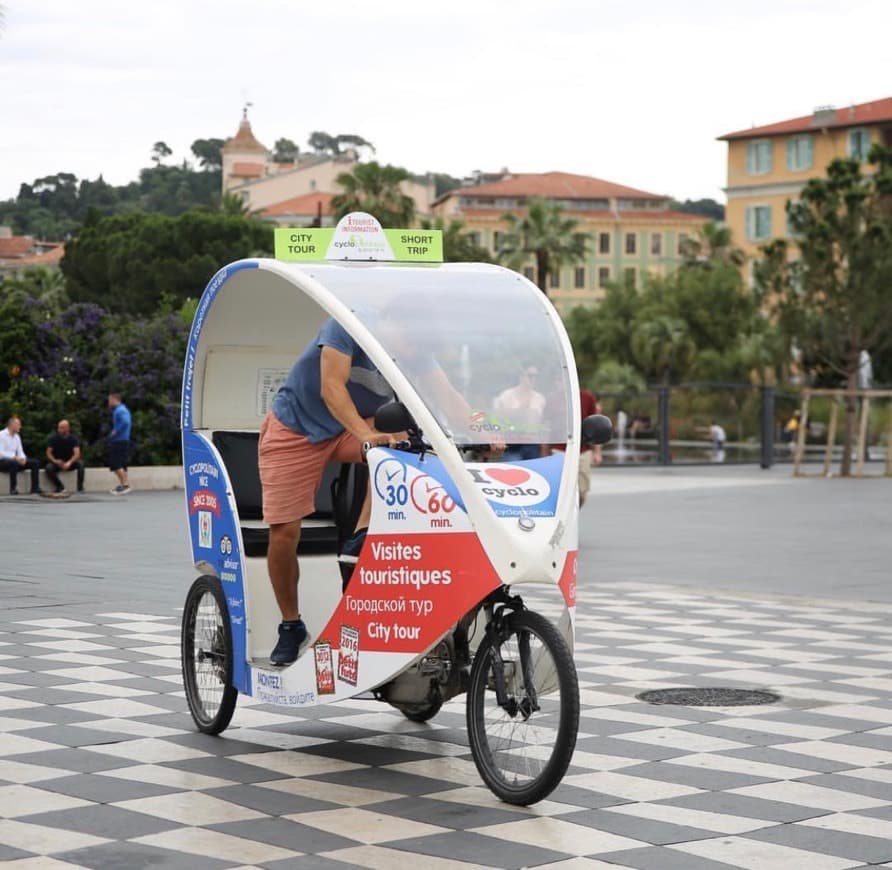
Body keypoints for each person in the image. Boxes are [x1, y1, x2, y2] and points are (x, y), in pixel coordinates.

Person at [259, 317, 400, 666]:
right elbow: (331, 388)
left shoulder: (415, 342)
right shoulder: (346, 324)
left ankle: (362, 534)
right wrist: (367, 438)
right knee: (284, 532)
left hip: (355, 427)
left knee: (403, 452)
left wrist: (481, 430)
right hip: (298, 428)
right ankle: (291, 625)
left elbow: (445, 394)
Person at [493, 364, 546, 461]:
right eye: (530, 375)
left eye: (536, 376)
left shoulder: (540, 398)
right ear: (521, 376)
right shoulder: (506, 395)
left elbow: (542, 425)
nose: (533, 379)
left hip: (532, 445)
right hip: (512, 445)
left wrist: (543, 449)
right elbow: (498, 418)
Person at [0, 415, 42, 495]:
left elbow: (20, 451)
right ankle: (13, 489)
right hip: (2, 461)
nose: (20, 426)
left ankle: (35, 488)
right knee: (14, 463)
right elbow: (1, 453)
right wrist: (14, 458)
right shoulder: (1, 435)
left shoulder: (17, 437)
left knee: (35, 462)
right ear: (12, 425)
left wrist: (23, 459)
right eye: (18, 424)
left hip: (15, 461)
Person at [45, 419, 85, 493]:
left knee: (81, 464)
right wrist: (55, 461)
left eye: (62, 428)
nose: (59, 429)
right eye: (59, 427)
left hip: (70, 462)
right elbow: (48, 453)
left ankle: (80, 487)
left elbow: (77, 454)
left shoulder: (73, 439)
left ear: (67, 428)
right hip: (58, 462)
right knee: (49, 468)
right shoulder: (53, 439)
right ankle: (60, 487)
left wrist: (69, 462)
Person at [107, 393, 132, 495]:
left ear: (114, 400)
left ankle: (125, 485)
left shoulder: (119, 410)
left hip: (119, 440)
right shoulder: (122, 409)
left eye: (109, 400)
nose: (108, 403)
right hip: (123, 440)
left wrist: (115, 431)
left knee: (115, 463)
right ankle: (123, 484)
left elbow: (125, 422)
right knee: (122, 463)